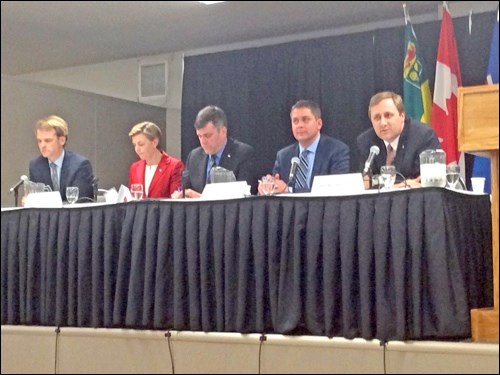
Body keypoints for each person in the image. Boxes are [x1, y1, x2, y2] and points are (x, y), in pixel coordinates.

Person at [261, 100, 350, 194]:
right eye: (295, 121)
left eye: (305, 120)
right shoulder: (283, 156)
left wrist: (290, 190)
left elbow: (337, 191)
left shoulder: (337, 151)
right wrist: (267, 187)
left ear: (319, 123)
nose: (300, 125)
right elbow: (276, 185)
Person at [356, 91, 440, 187]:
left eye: (388, 115)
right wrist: (400, 186)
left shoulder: (423, 136)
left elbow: (424, 183)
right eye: (377, 118)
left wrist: (384, 186)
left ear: (402, 116)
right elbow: (365, 183)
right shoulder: (366, 142)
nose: (383, 123)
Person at [172, 105, 257, 198]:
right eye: (199, 136)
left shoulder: (243, 154)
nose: (203, 141)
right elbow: (185, 190)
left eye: (207, 135)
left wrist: (201, 198)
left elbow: (244, 199)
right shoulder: (194, 157)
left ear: (223, 131)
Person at [28, 115, 95, 202]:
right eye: (39, 141)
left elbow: (81, 202)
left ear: (62, 140)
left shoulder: (80, 165)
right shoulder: (35, 166)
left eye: (48, 140)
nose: (42, 145)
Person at [128, 121, 185, 198]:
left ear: (154, 142)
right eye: (134, 145)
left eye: (141, 144)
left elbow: (176, 201)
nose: (137, 149)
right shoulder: (134, 167)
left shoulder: (174, 166)